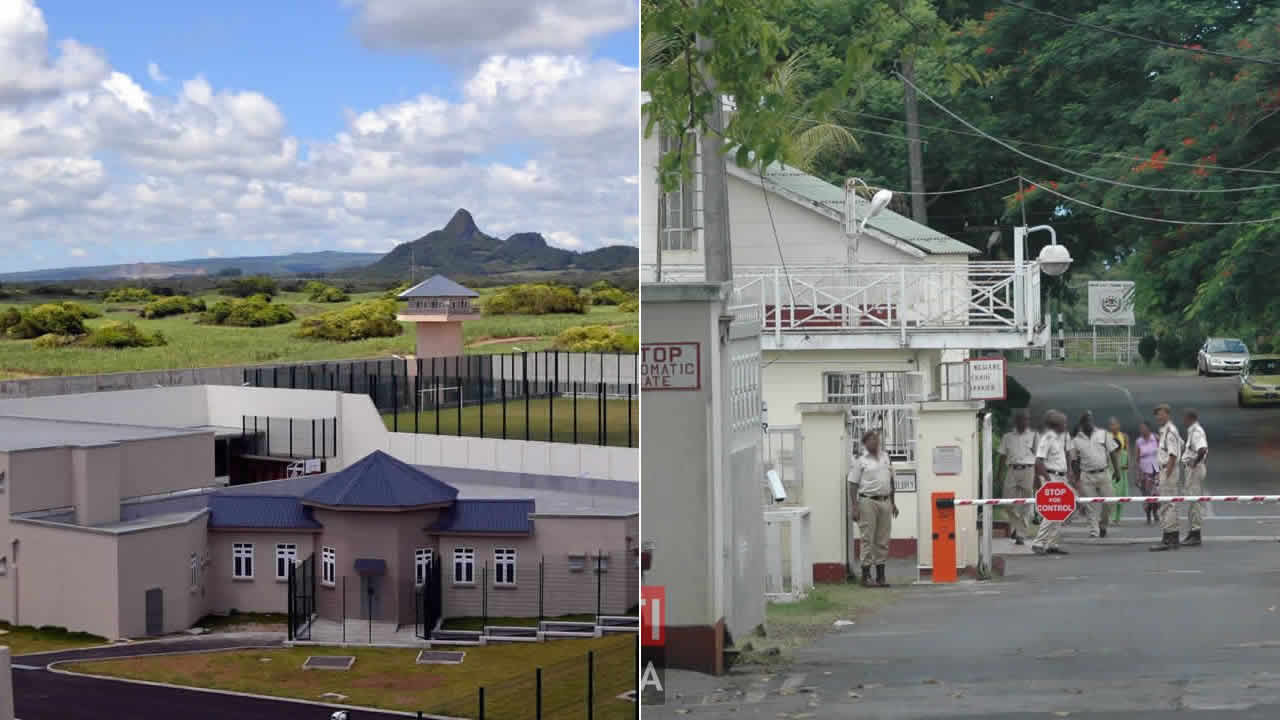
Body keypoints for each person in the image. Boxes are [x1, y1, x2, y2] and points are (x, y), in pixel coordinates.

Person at [848, 430, 898, 587]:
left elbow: (890, 480)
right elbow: (852, 483)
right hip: (868, 501)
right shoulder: (861, 461)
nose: (875, 442)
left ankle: (881, 576)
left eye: (876, 439)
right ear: (865, 443)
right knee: (867, 538)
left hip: (885, 501)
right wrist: (855, 507)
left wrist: (893, 502)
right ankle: (866, 575)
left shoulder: (885, 457)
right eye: (871, 440)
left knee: (883, 539)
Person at [1068, 411, 1118, 538]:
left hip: (1103, 472)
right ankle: (1094, 530)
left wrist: (1117, 471)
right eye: (1086, 421)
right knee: (1089, 505)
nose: (1089, 423)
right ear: (1082, 424)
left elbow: (1112, 452)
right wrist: (1076, 477)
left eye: (1091, 420)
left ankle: (1103, 525)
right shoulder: (1076, 440)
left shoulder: (1103, 434)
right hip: (1086, 475)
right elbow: (1074, 460)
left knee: (1110, 501)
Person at [1031, 409, 1071, 555]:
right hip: (1052, 477)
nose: (1066, 425)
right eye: (1063, 423)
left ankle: (1052, 543)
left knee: (1060, 511)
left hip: (1061, 477)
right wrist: (1048, 481)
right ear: (1056, 425)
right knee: (1052, 511)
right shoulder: (1047, 438)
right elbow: (1038, 461)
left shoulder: (1059, 438)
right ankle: (1038, 542)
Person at [997, 410, 1038, 545]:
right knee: (1007, 503)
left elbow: (1039, 458)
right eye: (1021, 419)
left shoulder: (1034, 436)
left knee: (1028, 502)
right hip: (1012, 470)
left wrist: (1037, 476)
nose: (1024, 422)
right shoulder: (1007, 437)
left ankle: (1020, 533)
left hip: (1028, 470)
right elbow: (1002, 456)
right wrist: (999, 474)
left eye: (1026, 420)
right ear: (1016, 421)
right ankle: (1019, 526)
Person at [1150, 404, 1185, 552]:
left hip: (1169, 471)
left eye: (1160, 414)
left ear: (1167, 414)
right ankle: (1173, 536)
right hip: (1166, 470)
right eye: (1156, 414)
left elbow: (1173, 455)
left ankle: (1168, 538)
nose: (1158, 417)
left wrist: (1166, 474)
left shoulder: (1170, 431)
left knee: (1168, 505)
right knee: (1169, 504)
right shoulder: (1167, 431)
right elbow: (1181, 445)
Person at [1180, 409, 1209, 547]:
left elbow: (1202, 449)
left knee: (1195, 501)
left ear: (1190, 418)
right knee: (1192, 502)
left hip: (1194, 470)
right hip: (1193, 469)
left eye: (1184, 418)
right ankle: (1192, 531)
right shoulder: (1192, 431)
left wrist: (1194, 462)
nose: (1183, 421)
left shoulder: (1196, 431)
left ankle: (1196, 533)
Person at [1135, 422, 1160, 524]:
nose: (1142, 430)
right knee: (1146, 495)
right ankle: (1148, 515)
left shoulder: (1155, 438)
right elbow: (1137, 459)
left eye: (1144, 428)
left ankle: (1155, 512)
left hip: (1156, 470)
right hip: (1144, 471)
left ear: (1149, 429)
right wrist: (1137, 474)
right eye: (1141, 428)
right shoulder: (1139, 441)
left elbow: (1163, 451)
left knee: (1156, 494)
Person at [1108, 417, 1131, 525]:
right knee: (1112, 492)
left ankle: (1118, 517)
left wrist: (1128, 463)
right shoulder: (1107, 437)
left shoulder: (1124, 436)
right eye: (1111, 425)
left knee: (1121, 493)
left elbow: (1127, 449)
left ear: (1119, 425)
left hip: (1122, 466)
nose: (1114, 427)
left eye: (1115, 424)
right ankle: (1111, 516)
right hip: (1111, 467)